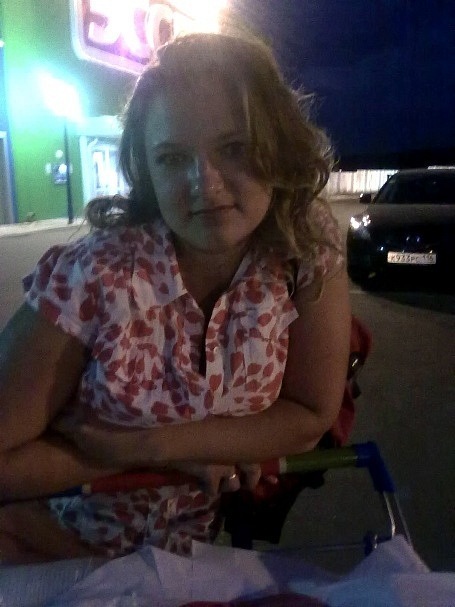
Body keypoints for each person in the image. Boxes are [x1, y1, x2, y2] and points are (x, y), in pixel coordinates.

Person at [0, 32, 351, 563]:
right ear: (146, 170)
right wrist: (172, 456)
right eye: (171, 158)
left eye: (233, 148)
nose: (203, 184)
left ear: (277, 146)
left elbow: (309, 414)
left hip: (182, 567)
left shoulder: (304, 251)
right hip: (47, 551)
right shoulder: (94, 276)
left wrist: (150, 445)